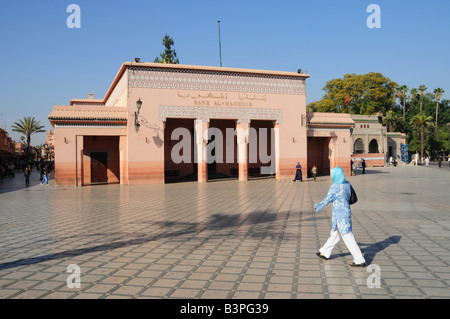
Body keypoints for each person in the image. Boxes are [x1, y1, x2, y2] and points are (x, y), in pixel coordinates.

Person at [314, 167, 366, 267]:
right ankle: (325, 252)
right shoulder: (347, 184)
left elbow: (327, 199)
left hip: (340, 216)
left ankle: (359, 259)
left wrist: (317, 206)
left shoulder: (335, 187)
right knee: (335, 234)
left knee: (347, 236)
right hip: (346, 213)